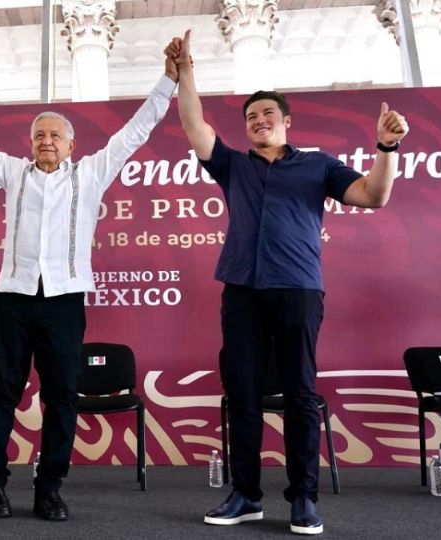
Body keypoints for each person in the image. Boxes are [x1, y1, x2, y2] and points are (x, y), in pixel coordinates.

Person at [0, 54, 177, 522]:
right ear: (30, 144)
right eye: (39, 135)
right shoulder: (12, 172)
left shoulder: (91, 174)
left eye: (55, 135)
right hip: (13, 298)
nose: (47, 141)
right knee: (2, 393)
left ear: (72, 144)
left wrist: (169, 79)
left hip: (65, 300)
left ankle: (49, 488)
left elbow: (135, 132)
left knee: (62, 396)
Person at [166, 30, 408, 535]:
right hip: (242, 290)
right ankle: (246, 495)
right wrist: (186, 73)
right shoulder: (232, 165)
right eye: (251, 118)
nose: (258, 122)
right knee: (244, 394)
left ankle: (303, 499)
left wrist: (386, 146)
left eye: (267, 115)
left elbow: (374, 195)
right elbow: (194, 124)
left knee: (299, 393)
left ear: (286, 122)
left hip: (298, 288)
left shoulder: (317, 165)